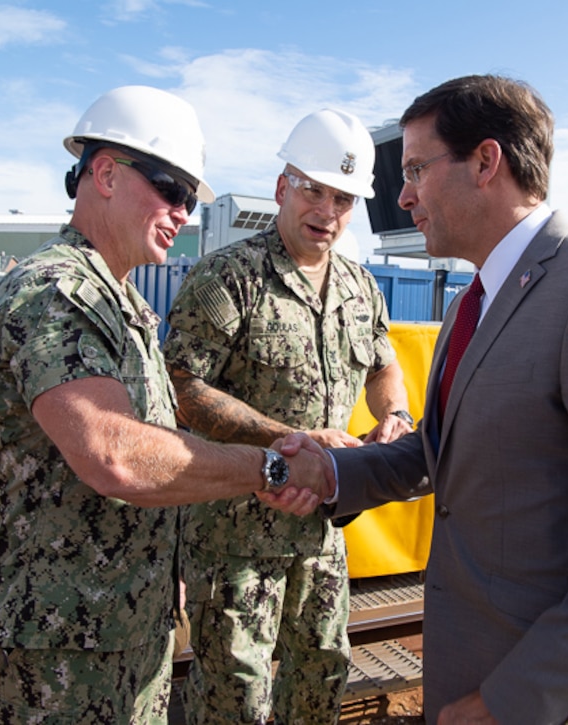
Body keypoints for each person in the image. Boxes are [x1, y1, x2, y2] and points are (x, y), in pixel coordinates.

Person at [270, 74, 568, 724]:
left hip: (549, 695)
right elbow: (444, 449)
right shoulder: (471, 304)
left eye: (416, 167)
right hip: (471, 660)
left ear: (485, 162)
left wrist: (514, 700)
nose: (402, 193)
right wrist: (331, 470)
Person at [0, 85, 328, 724]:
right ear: (104, 173)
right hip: (53, 652)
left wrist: (167, 565)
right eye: (170, 188)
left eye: (190, 196)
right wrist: (271, 467)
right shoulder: (53, 292)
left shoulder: (121, 303)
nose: (184, 210)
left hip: (123, 629)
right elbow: (116, 455)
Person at [163, 108, 413, 725]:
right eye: (314, 190)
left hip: (322, 534)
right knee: (236, 695)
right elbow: (180, 385)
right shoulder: (229, 277)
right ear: (283, 189)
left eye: (344, 198)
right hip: (234, 535)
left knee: (321, 677)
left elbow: (383, 366)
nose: (327, 211)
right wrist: (286, 440)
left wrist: (397, 416)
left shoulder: (360, 285)